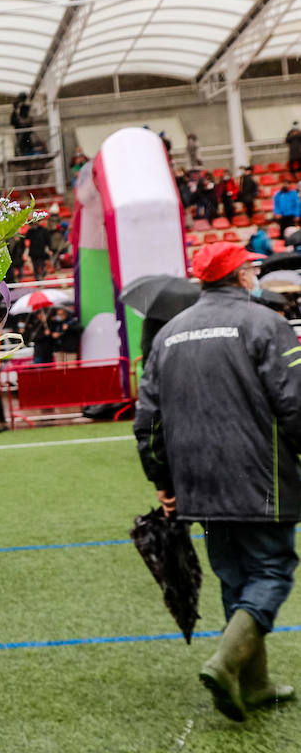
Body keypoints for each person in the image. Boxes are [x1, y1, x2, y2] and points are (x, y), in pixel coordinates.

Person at [135, 242, 299, 721]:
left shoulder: (168, 334)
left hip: (197, 483)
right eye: (251, 267)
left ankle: (254, 683)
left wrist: (162, 479)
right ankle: (226, 663)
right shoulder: (267, 323)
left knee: (235, 578)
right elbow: (295, 404)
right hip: (261, 474)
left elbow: (148, 420)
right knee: (271, 571)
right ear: (241, 275)